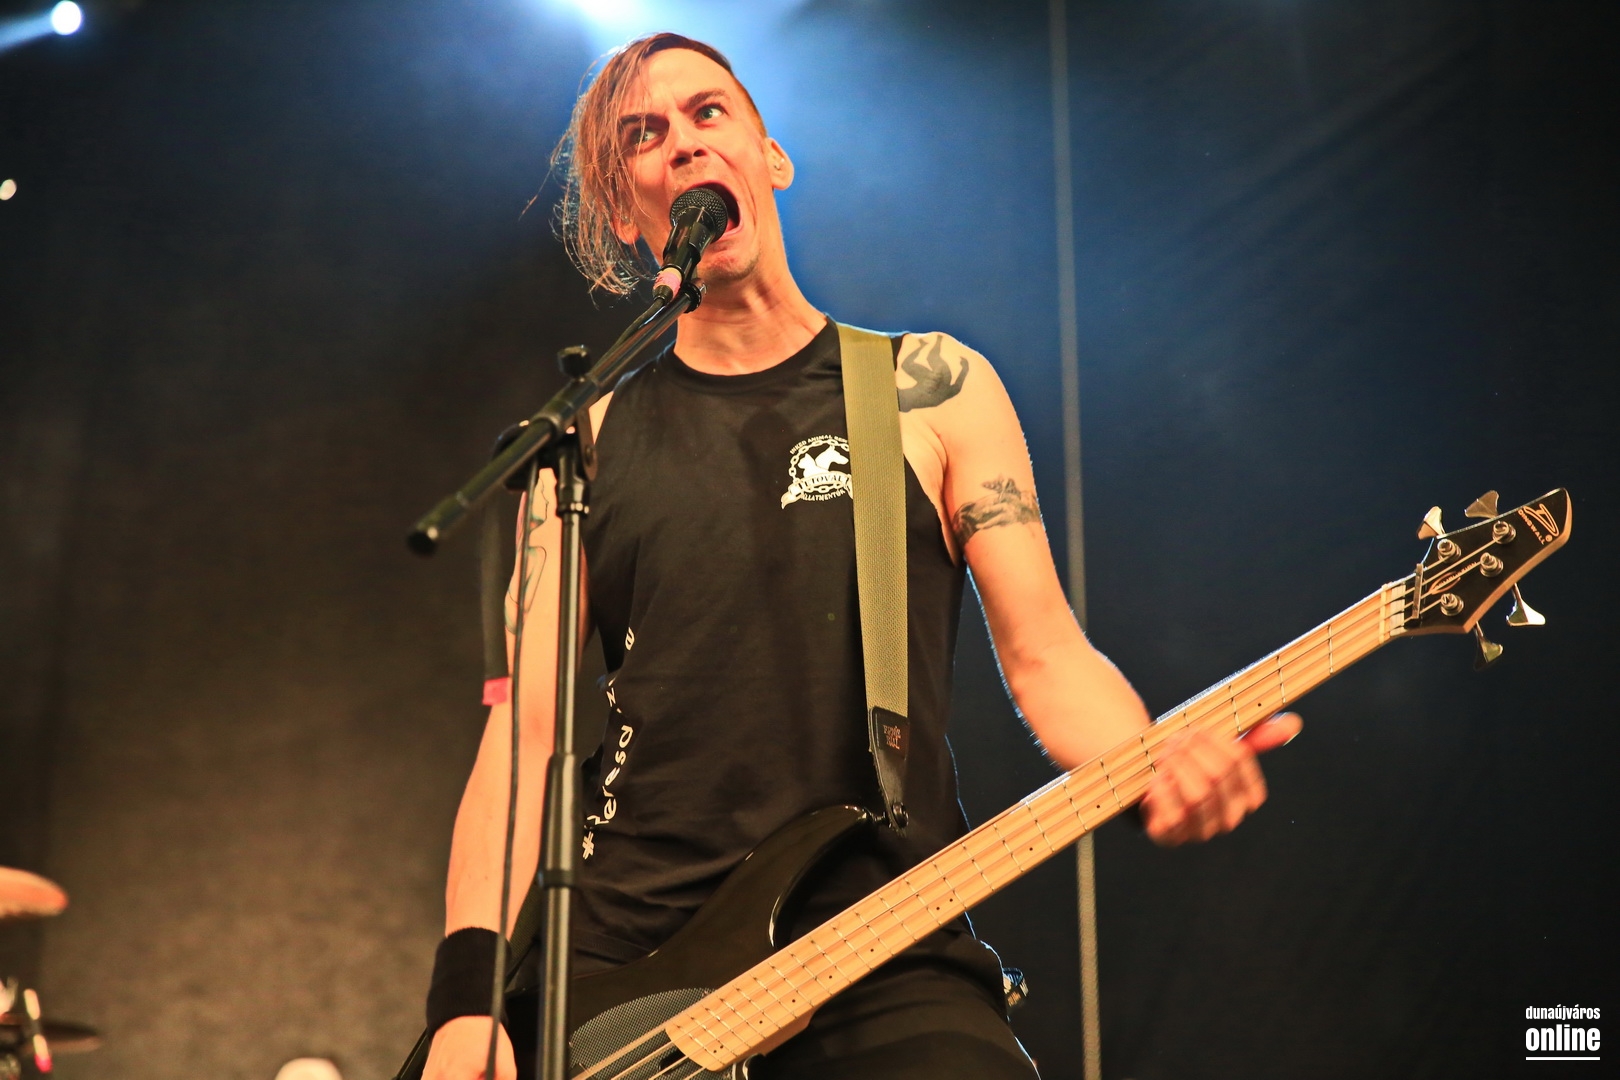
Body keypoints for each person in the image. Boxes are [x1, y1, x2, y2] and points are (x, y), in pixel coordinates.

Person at [421, 32, 1302, 1080]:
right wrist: (467, 1003)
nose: (685, 144)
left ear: (771, 155)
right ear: (625, 212)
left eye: (709, 112)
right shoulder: (587, 443)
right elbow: (523, 739)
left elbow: (1046, 656)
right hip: (627, 958)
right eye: (644, 136)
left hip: (877, 937)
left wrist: (1151, 762)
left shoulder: (926, 389)